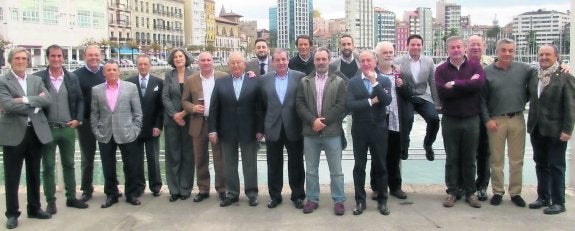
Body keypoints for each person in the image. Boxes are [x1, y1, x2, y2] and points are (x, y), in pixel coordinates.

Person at [0, 47, 53, 229]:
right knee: (12, 176)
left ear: (28, 61)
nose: (21, 61)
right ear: (10, 61)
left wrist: (22, 100)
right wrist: (34, 103)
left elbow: (48, 99)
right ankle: (12, 213)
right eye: (17, 58)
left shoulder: (36, 80)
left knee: (33, 173)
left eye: (24, 58)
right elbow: (7, 105)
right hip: (13, 133)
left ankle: (34, 208)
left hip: (35, 132)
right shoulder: (3, 81)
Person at [34, 45, 88, 214]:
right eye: (53, 56)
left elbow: (80, 99)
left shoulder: (71, 78)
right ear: (47, 58)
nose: (56, 59)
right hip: (47, 129)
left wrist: (78, 119)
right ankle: (51, 201)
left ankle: (71, 197)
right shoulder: (38, 78)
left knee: (69, 164)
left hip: (67, 128)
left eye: (59, 56)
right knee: (48, 166)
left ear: (63, 58)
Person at [480, 38, 534, 207]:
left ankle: (515, 192)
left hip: (517, 118)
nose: (507, 53)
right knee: (496, 159)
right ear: (497, 52)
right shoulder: (487, 71)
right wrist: (487, 119)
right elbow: (481, 99)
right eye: (504, 50)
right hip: (496, 120)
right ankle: (497, 191)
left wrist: (563, 67)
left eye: (511, 50)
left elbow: (542, 73)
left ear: (515, 52)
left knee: (517, 159)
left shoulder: (524, 69)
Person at [295, 47, 347, 215]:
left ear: (329, 60)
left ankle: (339, 200)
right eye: (318, 59)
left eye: (324, 59)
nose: (321, 62)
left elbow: (341, 105)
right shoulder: (305, 81)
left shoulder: (338, 81)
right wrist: (312, 121)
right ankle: (312, 199)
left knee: (336, 170)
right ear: (314, 61)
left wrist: (322, 121)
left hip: (332, 132)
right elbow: (300, 104)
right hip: (310, 133)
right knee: (311, 170)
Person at [435, 36, 485, 208]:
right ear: (447, 50)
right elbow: (442, 93)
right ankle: (452, 191)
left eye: (458, 47)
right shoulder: (441, 69)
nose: (455, 50)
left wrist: (455, 84)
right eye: (452, 47)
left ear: (464, 49)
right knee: (452, 157)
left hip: (471, 119)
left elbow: (478, 86)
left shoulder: (475, 66)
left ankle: (470, 192)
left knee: (470, 158)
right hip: (450, 119)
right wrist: (467, 85)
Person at [209, 52, 263, 207]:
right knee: (229, 164)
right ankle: (232, 193)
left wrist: (260, 129)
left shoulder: (254, 82)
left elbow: (259, 108)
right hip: (227, 130)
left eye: (239, 62)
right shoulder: (221, 83)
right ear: (229, 65)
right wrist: (212, 130)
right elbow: (214, 108)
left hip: (249, 130)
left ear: (244, 65)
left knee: (250, 163)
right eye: (232, 63)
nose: (236, 65)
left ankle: (252, 193)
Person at [526, 44, 575, 215]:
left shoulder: (565, 76)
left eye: (548, 54)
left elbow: (570, 106)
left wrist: (568, 130)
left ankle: (559, 202)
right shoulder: (534, 75)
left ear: (556, 57)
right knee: (540, 164)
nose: (544, 57)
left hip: (556, 130)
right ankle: (543, 197)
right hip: (537, 128)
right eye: (541, 54)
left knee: (556, 165)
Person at [91, 60, 144, 208]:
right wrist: (96, 131)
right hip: (105, 134)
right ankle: (111, 195)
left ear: (119, 71)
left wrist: (135, 130)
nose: (112, 72)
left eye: (114, 70)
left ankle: (131, 194)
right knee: (108, 166)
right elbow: (94, 113)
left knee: (131, 166)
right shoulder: (96, 90)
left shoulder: (131, 88)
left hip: (127, 132)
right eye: (108, 70)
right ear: (104, 73)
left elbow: (137, 112)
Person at [347, 50, 392, 216]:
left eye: (369, 60)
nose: (365, 64)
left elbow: (387, 101)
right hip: (359, 129)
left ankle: (382, 201)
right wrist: (370, 101)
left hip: (378, 129)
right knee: (359, 166)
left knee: (380, 165)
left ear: (375, 62)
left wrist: (374, 82)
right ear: (359, 63)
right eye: (363, 61)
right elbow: (350, 105)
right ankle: (360, 201)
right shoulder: (353, 83)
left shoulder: (384, 80)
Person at [260, 49, 306, 209]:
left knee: (297, 164)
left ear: (288, 61)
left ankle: (298, 196)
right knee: (273, 164)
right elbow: (261, 106)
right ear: (273, 62)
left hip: (294, 127)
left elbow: (304, 101)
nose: (281, 63)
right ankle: (275, 196)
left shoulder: (300, 77)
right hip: (272, 127)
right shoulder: (264, 80)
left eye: (283, 60)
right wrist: (261, 128)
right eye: (277, 60)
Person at [181, 51, 227, 202]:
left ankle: (222, 188)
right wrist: (193, 108)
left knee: (219, 158)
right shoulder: (191, 79)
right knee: (200, 157)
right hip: (198, 123)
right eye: (203, 60)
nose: (206, 62)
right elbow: (184, 101)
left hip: (217, 123)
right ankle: (203, 189)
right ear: (198, 63)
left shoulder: (223, 76)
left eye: (209, 60)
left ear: (213, 61)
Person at [373, 41, 414, 200]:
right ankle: (377, 187)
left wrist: (402, 85)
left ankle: (395, 186)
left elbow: (410, 94)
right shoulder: (372, 74)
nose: (389, 55)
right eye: (385, 53)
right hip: (379, 120)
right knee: (378, 155)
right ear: (378, 56)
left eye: (391, 52)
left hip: (396, 120)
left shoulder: (399, 73)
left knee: (394, 155)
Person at [395, 34, 440, 161]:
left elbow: (432, 82)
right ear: (407, 46)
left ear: (422, 46)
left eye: (418, 45)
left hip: (423, 96)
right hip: (406, 97)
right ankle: (404, 146)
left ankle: (428, 144)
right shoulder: (398, 61)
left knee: (434, 119)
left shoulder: (429, 61)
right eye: (412, 44)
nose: (415, 47)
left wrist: (436, 102)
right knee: (407, 119)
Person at [126, 55, 164, 197]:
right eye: (140, 64)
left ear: (150, 65)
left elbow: (161, 107)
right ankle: (139, 186)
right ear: (137, 66)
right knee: (137, 160)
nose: (142, 67)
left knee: (153, 158)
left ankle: (155, 186)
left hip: (152, 127)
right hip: (134, 128)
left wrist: (158, 125)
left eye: (145, 64)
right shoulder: (129, 83)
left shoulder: (159, 83)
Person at [161, 48, 195, 202]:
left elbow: (196, 96)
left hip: (189, 119)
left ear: (186, 58)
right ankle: (174, 189)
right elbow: (165, 97)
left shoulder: (193, 74)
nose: (178, 59)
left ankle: (186, 188)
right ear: (172, 60)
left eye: (181, 56)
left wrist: (183, 114)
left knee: (188, 154)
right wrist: (175, 115)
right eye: (175, 57)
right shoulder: (169, 75)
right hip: (172, 120)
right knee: (173, 155)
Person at [73, 45, 105, 202]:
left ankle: (111, 187)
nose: (94, 58)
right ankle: (87, 189)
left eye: (97, 55)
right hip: (85, 121)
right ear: (85, 56)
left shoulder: (107, 72)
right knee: (87, 158)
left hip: (106, 121)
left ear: (100, 56)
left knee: (108, 155)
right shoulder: (76, 75)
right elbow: (73, 99)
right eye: (91, 55)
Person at [466, 35, 494, 201]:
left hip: (487, 115)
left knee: (485, 152)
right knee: (466, 152)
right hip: (467, 113)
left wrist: (561, 66)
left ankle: (482, 186)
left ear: (483, 45)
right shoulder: (460, 63)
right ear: (466, 47)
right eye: (472, 45)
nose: (475, 47)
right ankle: (465, 185)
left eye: (478, 44)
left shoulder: (492, 63)